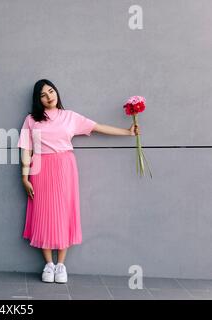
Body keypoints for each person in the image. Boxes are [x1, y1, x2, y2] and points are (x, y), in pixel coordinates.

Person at [17, 79, 140, 283]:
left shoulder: (70, 117)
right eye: (43, 95)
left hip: (65, 167)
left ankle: (61, 265)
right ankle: (48, 264)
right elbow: (25, 149)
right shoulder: (31, 120)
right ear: (38, 100)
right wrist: (24, 177)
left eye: (51, 91)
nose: (49, 96)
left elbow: (98, 127)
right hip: (40, 168)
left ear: (56, 92)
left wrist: (127, 132)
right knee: (44, 212)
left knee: (65, 211)